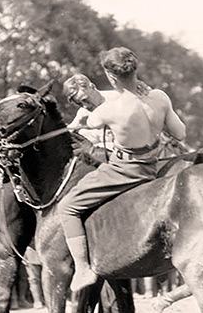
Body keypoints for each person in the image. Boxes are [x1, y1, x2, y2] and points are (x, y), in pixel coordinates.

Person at [59, 47, 186, 291]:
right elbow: (180, 133)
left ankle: (83, 269)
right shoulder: (160, 97)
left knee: (67, 207)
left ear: (110, 76)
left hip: (125, 170)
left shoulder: (106, 111)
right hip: (153, 165)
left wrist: (77, 122)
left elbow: (91, 121)